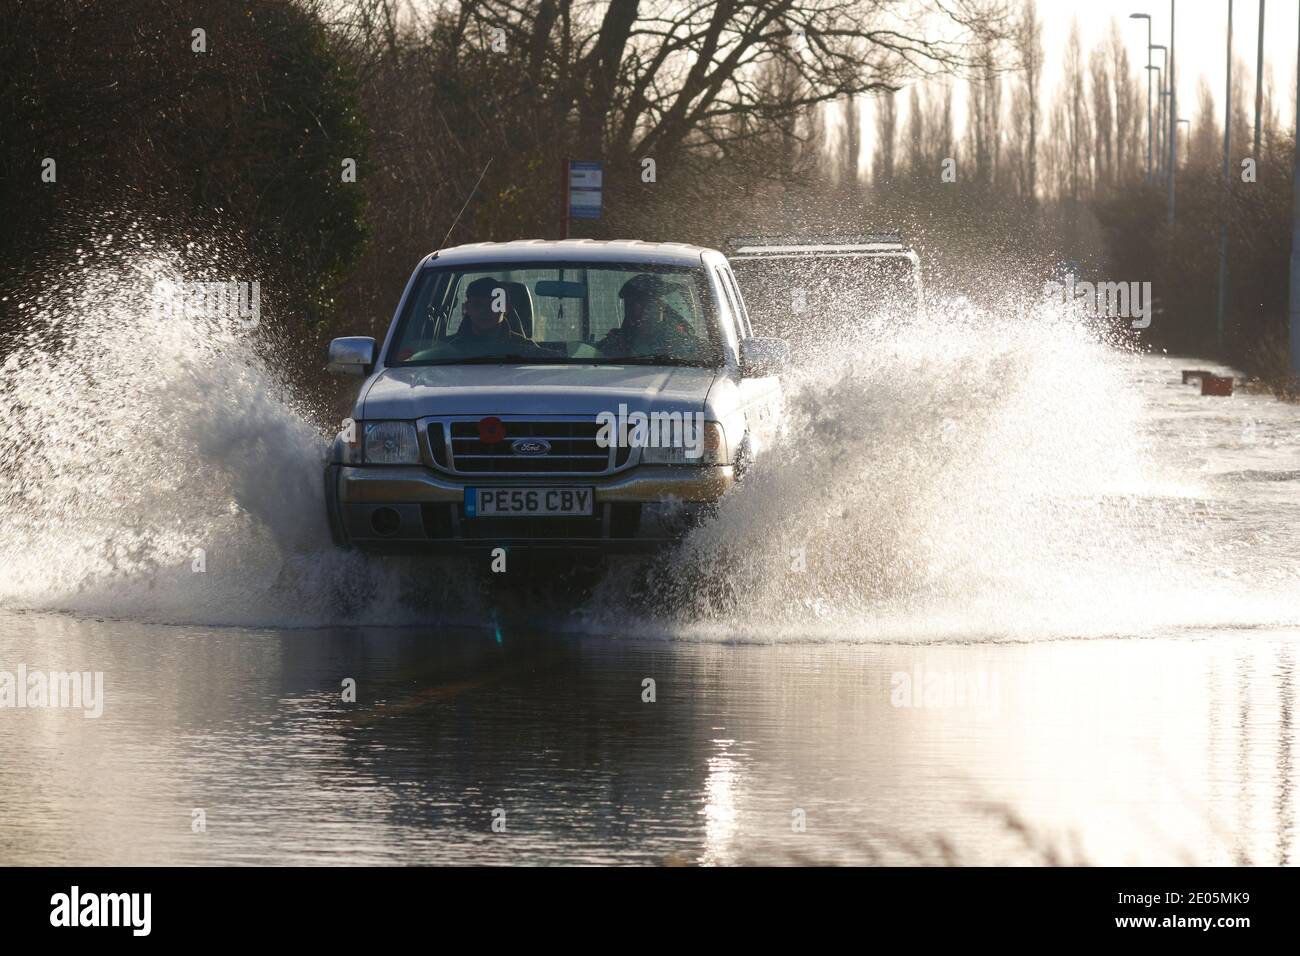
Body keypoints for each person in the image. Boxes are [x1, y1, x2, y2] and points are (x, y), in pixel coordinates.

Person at [439, 276, 549, 358]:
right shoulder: (446, 353)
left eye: (494, 304)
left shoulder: (527, 351)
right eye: (477, 304)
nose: (484, 311)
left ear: (506, 308)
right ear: (466, 308)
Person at [597, 274, 700, 358]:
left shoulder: (676, 340)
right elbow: (596, 357)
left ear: (660, 305)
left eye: (643, 303)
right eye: (630, 304)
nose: (634, 310)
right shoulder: (619, 339)